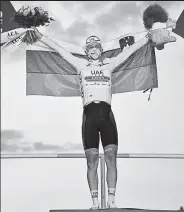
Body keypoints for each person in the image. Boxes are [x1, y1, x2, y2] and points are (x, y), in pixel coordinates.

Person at [29, 27, 172, 209]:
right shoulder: (80, 64)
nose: (94, 49)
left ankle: (112, 201)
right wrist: (40, 36)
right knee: (92, 160)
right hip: (89, 115)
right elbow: (59, 50)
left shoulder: (109, 64)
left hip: (107, 115)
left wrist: (147, 37)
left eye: (97, 46)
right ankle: (95, 202)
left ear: (101, 50)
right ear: (86, 51)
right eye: (90, 47)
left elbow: (129, 51)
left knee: (111, 157)